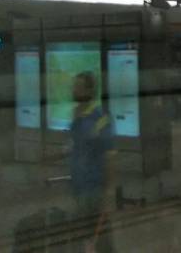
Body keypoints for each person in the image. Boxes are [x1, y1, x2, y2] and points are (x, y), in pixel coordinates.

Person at [70, 72, 115, 253]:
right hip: (79, 186)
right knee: (85, 235)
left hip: (94, 187)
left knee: (98, 235)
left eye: (78, 87)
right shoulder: (76, 115)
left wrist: (108, 190)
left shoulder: (99, 117)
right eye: (74, 86)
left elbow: (109, 155)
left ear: (89, 91)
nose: (73, 90)